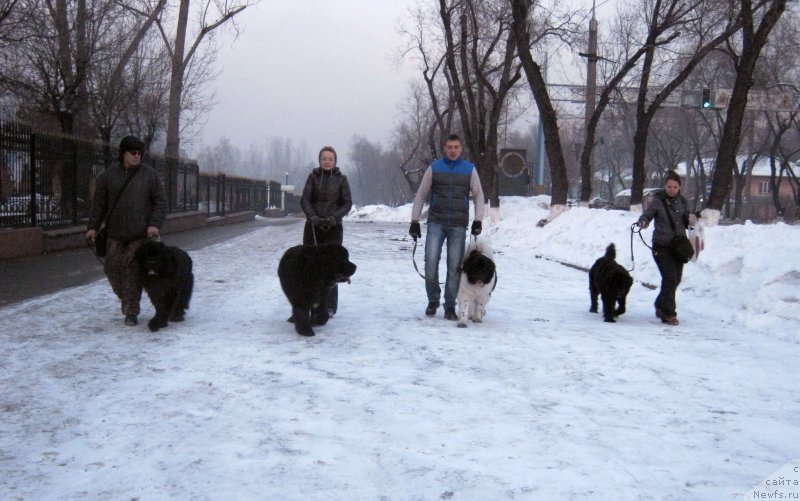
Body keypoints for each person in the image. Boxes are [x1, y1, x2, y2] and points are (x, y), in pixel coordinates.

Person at [86, 136, 167, 326]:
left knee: (131, 271)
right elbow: (99, 205)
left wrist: (154, 224)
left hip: (140, 235)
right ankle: (127, 299)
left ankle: (131, 312)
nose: (136, 156)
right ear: (123, 153)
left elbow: (161, 203)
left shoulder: (150, 176)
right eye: (133, 153)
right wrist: (92, 227)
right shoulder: (108, 176)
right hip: (114, 234)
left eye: (139, 153)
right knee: (112, 269)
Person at [409, 134, 485, 320]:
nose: (452, 150)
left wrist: (478, 220)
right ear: (445, 148)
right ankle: (433, 299)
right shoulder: (434, 168)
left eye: (456, 147)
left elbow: (479, 195)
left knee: (454, 266)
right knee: (430, 260)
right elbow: (421, 195)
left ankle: (450, 305)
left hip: (458, 224)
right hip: (436, 221)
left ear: (461, 149)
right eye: (449, 147)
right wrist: (414, 221)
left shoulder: (469, 169)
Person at [636, 170, 697, 326]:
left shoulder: (683, 201)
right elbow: (648, 215)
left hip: (679, 247)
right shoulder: (658, 201)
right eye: (669, 186)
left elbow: (686, 220)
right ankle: (669, 314)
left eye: (674, 187)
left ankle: (660, 304)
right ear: (665, 187)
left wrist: (691, 219)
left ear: (679, 188)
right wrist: (643, 222)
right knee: (670, 278)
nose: (671, 189)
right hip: (661, 246)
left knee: (675, 279)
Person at [300, 145, 353, 317]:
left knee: (332, 266)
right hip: (313, 227)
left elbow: (347, 203)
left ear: (335, 161)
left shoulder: (341, 180)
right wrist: (312, 216)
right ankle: (309, 303)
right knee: (310, 266)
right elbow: (305, 199)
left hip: (333, 227)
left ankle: (329, 306)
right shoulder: (312, 177)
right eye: (324, 159)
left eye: (330, 159)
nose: (327, 161)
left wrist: (334, 218)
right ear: (320, 160)